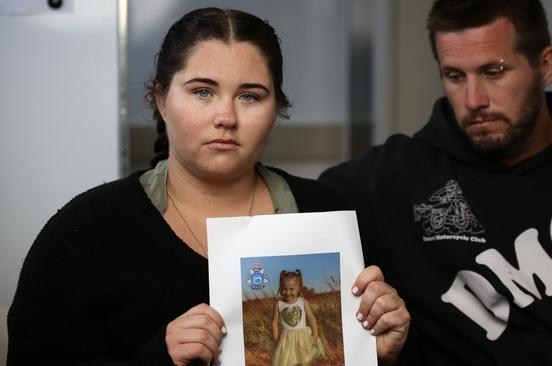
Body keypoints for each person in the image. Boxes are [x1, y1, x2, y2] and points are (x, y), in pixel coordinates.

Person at [7, 7, 409, 366]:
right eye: (203, 91)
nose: (226, 117)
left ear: (276, 109)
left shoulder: (327, 217)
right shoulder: (86, 230)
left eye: (250, 96)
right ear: (161, 100)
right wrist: (159, 358)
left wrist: (379, 354)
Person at [319, 0, 552, 364]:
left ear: (546, 65)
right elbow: (290, 209)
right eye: (455, 76)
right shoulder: (395, 175)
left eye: (494, 72)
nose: (473, 100)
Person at [271, 269, 325, 366]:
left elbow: (311, 318)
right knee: (289, 362)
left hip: (303, 339)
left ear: (299, 288)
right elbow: (274, 323)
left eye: (291, 289)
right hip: (287, 342)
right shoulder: (279, 304)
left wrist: (315, 334)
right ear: (280, 287)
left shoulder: (303, 302)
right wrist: (276, 339)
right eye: (284, 289)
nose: (287, 292)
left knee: (305, 361)